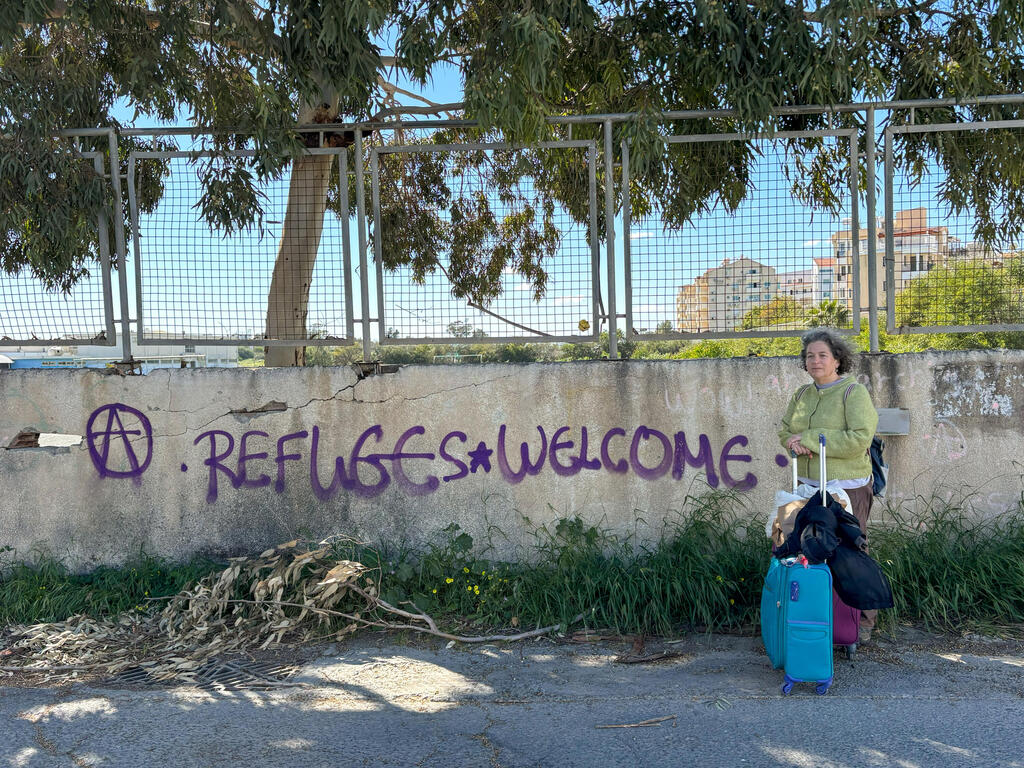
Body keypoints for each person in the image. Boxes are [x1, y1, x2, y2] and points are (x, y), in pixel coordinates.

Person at [778, 328, 879, 643]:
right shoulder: (802, 395)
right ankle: (812, 614)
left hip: (846, 485)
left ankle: (862, 621)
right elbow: (785, 431)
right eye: (809, 356)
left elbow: (859, 438)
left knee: (850, 548)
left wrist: (810, 439)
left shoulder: (853, 393)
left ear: (837, 359)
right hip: (806, 484)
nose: (815, 360)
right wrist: (794, 442)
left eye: (822, 355)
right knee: (797, 546)